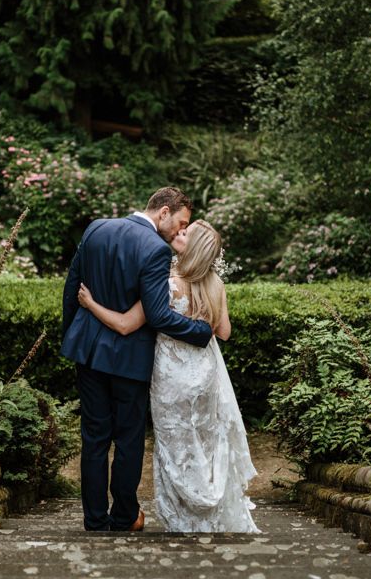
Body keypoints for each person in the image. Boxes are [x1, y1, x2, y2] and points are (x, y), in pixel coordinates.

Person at [78, 219, 259, 533]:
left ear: (193, 247)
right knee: (203, 442)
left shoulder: (164, 281)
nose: (179, 233)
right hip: (204, 372)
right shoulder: (215, 283)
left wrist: (91, 304)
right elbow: (225, 332)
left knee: (173, 444)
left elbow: (126, 324)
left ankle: (181, 515)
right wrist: (204, 320)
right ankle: (207, 506)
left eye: (186, 233)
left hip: (171, 374)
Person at [60, 188, 213, 532]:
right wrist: (201, 333)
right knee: (128, 438)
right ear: (163, 212)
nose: (179, 231)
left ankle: (95, 520)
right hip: (129, 358)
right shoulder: (156, 249)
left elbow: (71, 288)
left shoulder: (96, 228)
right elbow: (158, 316)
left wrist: (72, 336)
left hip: (88, 351)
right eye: (181, 222)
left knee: (94, 436)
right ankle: (124, 516)